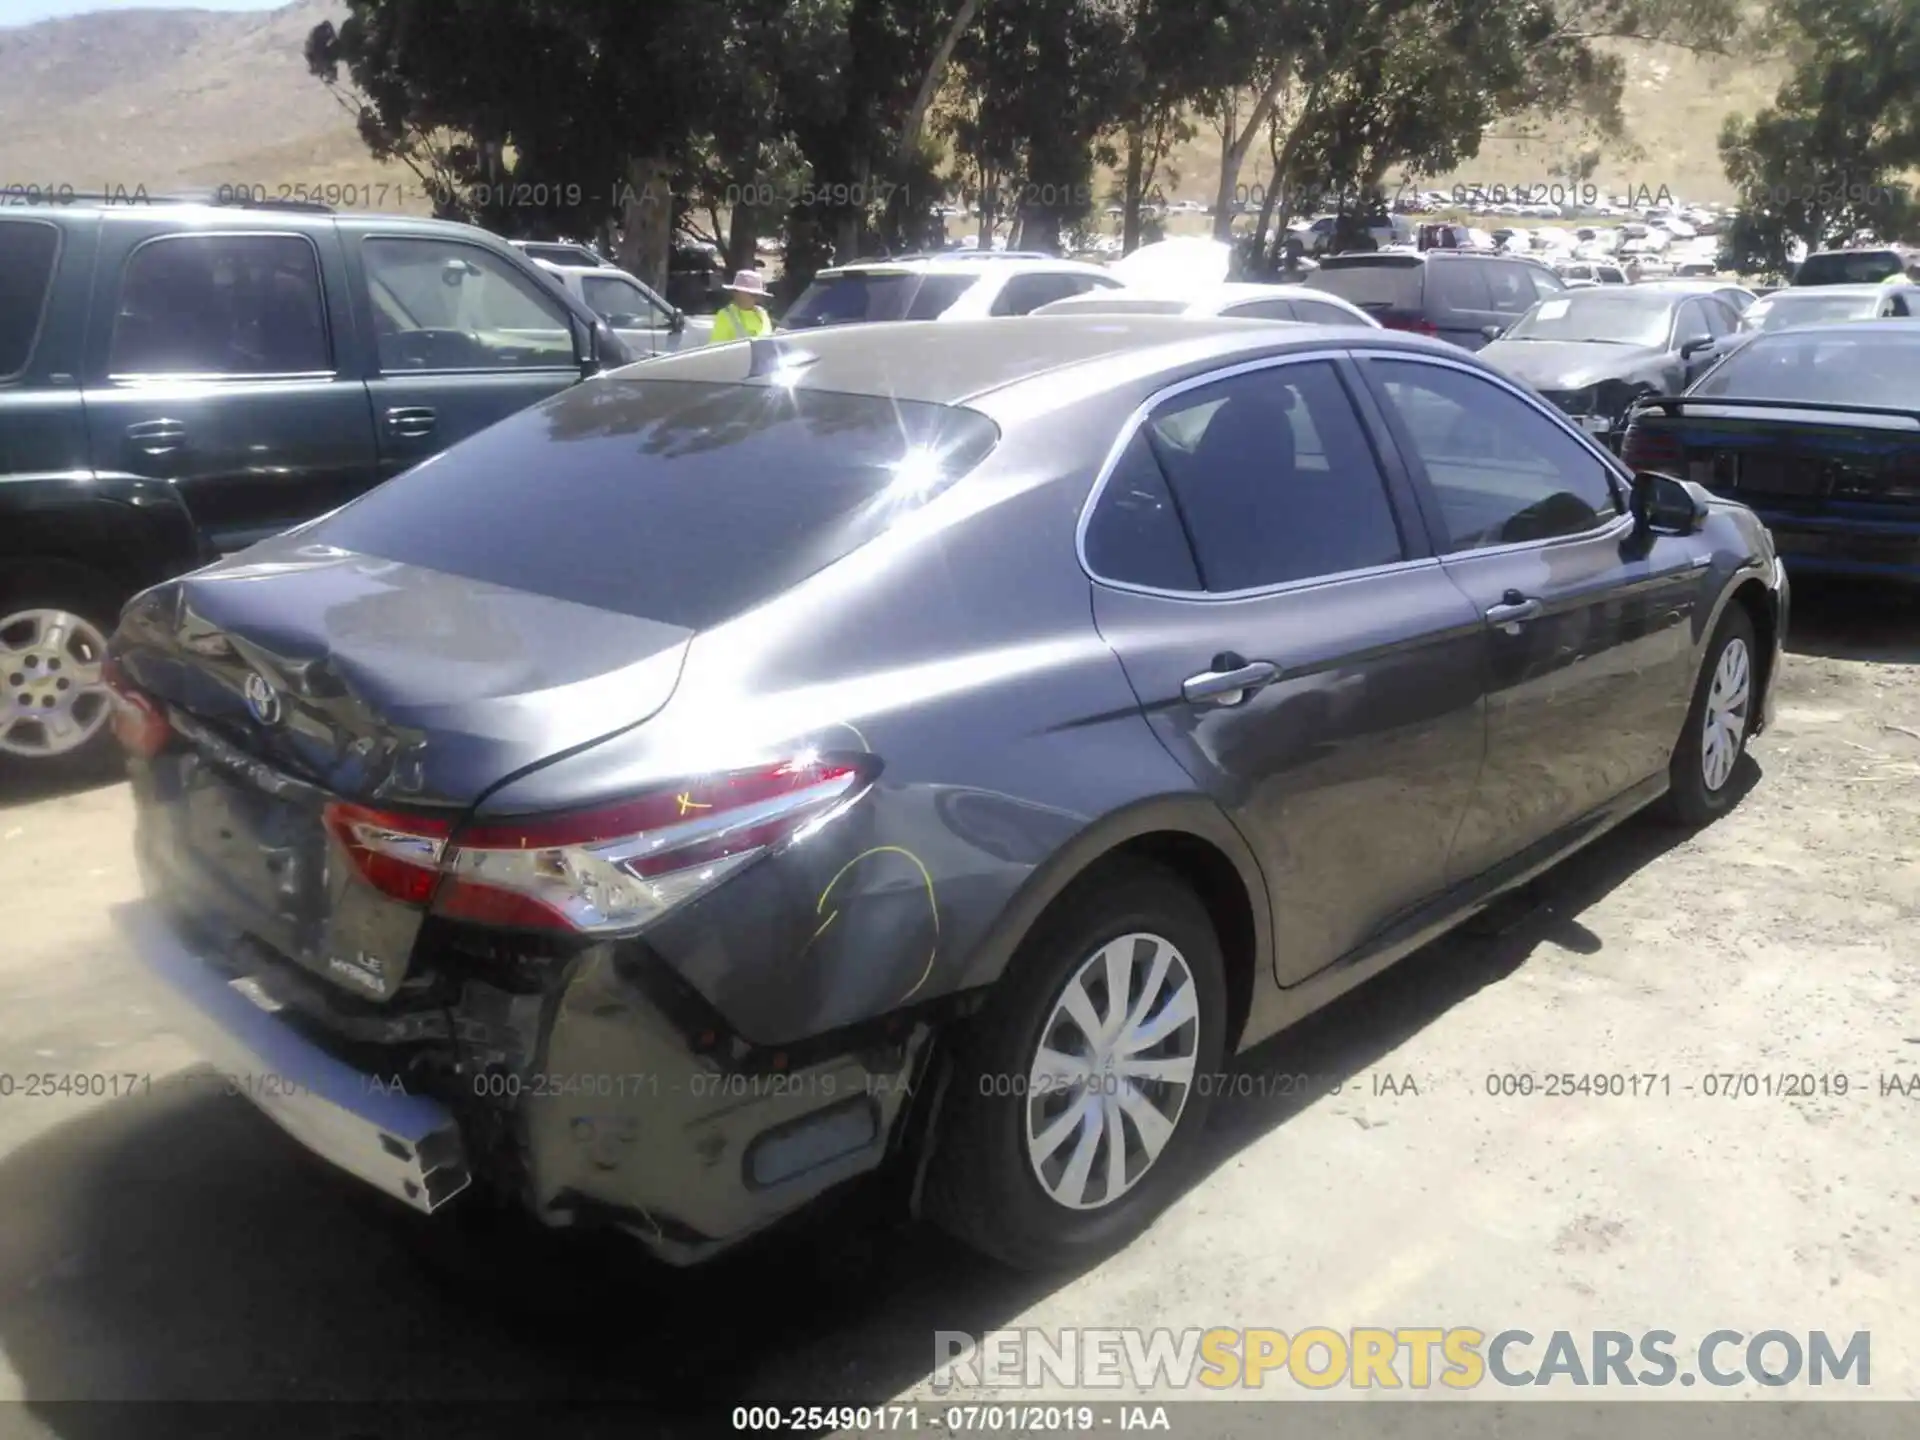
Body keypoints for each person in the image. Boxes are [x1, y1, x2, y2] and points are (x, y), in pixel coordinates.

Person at [707, 270, 774, 343]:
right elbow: (717, 348)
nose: (756, 298)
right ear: (736, 293)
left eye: (757, 295)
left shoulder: (762, 314)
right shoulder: (725, 315)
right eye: (753, 294)